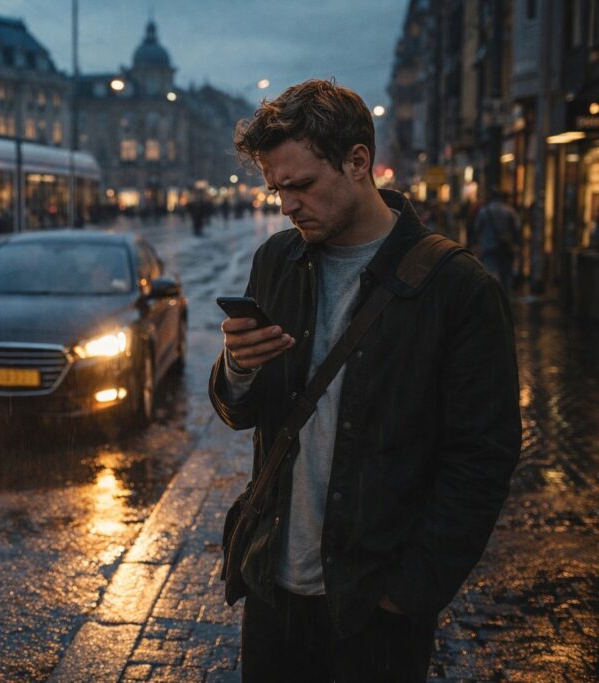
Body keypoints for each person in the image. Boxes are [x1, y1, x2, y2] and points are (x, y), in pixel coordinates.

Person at [209, 80, 521, 681]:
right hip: (273, 586)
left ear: (358, 163)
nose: (287, 206)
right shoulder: (276, 261)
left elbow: (482, 457)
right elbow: (242, 410)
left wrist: (410, 588)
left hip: (375, 608)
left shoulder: (457, 289)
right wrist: (238, 368)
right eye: (277, 190)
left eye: (300, 185)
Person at [473, 186, 521, 294]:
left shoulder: (484, 211)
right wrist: (517, 245)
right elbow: (517, 229)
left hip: (489, 246)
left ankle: (493, 297)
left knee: (491, 273)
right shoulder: (510, 211)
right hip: (506, 246)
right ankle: (506, 298)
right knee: (506, 275)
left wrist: (477, 244)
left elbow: (477, 228)